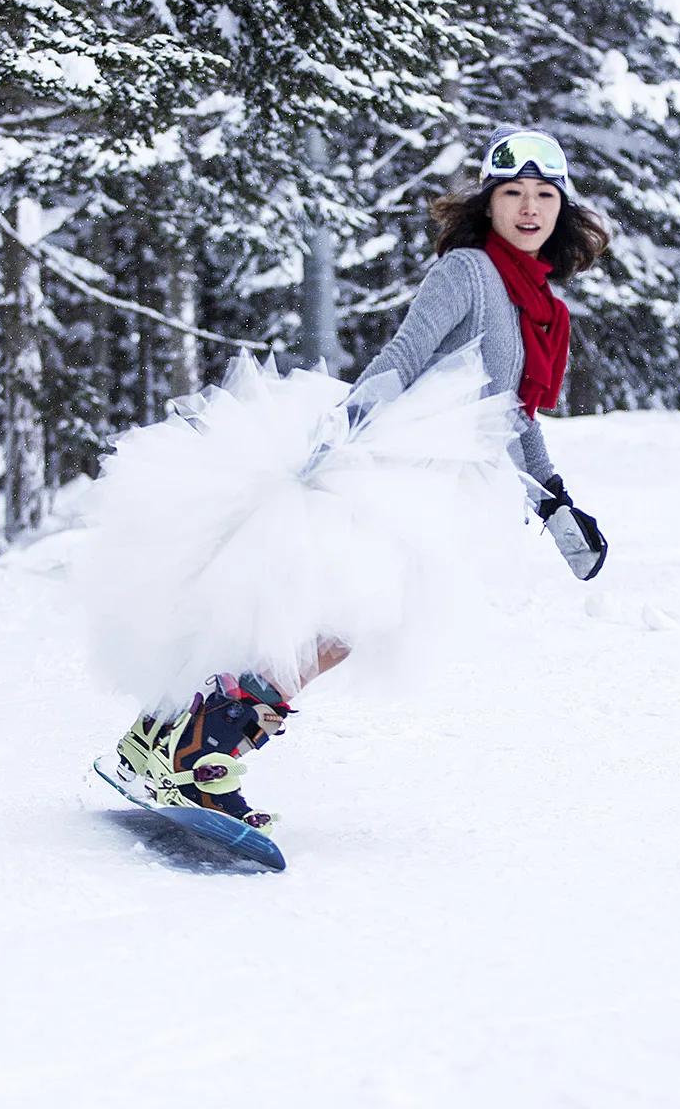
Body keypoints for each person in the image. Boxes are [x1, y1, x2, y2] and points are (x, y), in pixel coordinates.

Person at [84, 126, 610, 836]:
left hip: (441, 483)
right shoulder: (468, 272)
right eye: (512, 192)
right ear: (487, 203)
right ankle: (200, 753)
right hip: (394, 469)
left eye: (543, 194)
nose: (528, 208)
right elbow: (405, 353)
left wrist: (554, 502)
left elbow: (512, 414)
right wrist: (344, 432)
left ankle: (157, 740)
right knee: (336, 622)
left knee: (318, 617)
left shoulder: (535, 302)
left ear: (561, 207)